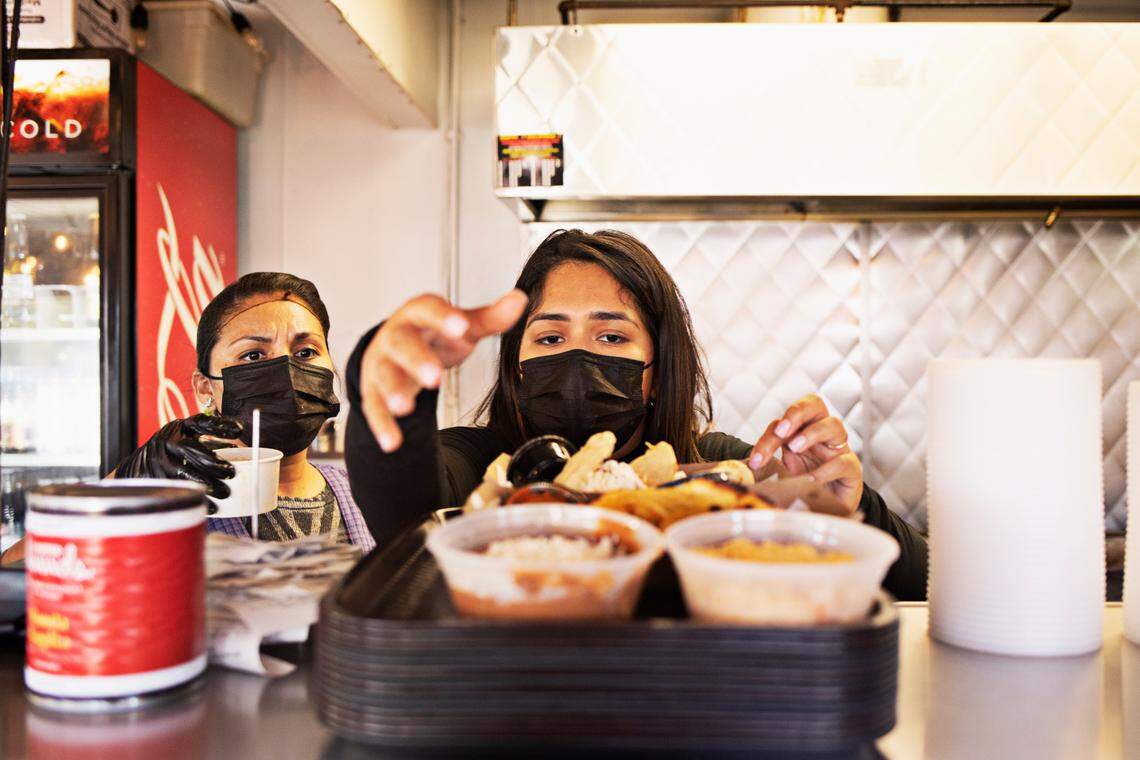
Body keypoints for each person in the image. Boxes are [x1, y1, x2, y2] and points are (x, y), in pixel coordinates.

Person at [345, 230, 925, 600]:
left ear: (659, 365)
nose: (578, 357)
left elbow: (926, 582)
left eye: (611, 336)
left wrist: (847, 512)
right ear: (516, 366)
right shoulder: (475, 466)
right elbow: (404, 507)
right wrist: (391, 389)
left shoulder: (721, 472)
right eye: (549, 338)